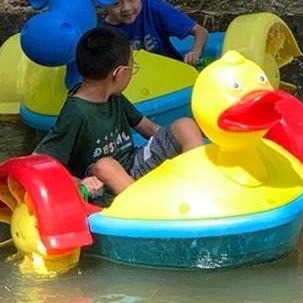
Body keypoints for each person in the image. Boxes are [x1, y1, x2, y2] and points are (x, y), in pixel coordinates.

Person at [34, 27, 205, 204]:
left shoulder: (114, 97)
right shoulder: (76, 112)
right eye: (132, 67)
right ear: (119, 73)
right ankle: (149, 208)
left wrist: (175, 140)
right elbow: (40, 161)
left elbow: (150, 129)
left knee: (185, 125)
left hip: (134, 166)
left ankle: (199, 185)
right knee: (105, 165)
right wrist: (79, 183)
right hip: (104, 188)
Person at [94, 0, 211, 64]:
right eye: (116, 3)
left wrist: (195, 53)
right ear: (103, 2)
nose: (126, 8)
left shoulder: (154, 8)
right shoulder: (105, 35)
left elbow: (200, 31)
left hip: (173, 73)